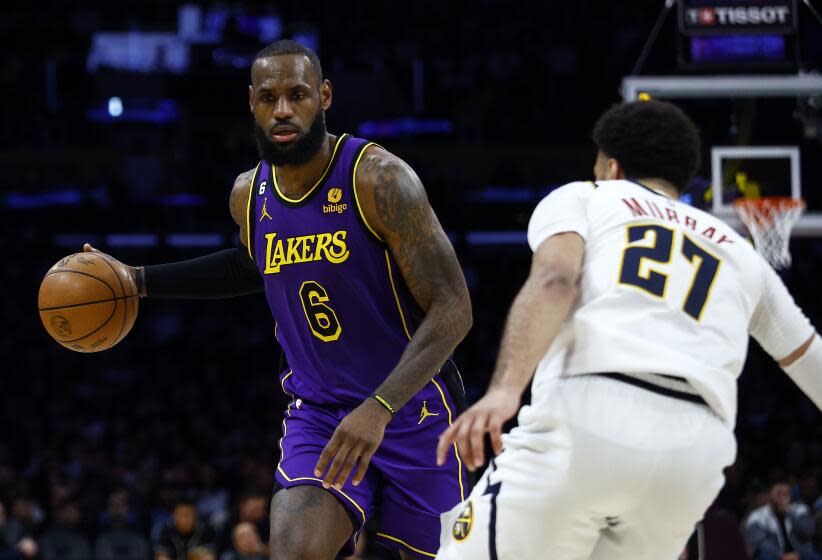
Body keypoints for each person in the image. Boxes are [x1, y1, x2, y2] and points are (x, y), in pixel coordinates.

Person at [86, 39, 472, 560]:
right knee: (293, 550)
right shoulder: (249, 195)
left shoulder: (379, 181)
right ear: (252, 102)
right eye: (269, 97)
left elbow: (455, 308)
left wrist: (379, 407)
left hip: (413, 410)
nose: (283, 109)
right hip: (320, 412)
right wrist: (137, 279)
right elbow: (250, 265)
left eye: (297, 94)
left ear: (326, 96)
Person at [435, 100, 822, 560]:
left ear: (611, 166)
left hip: (591, 414)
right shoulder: (738, 250)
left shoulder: (587, 196)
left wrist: (504, 391)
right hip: (694, 451)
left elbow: (555, 281)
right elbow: (808, 356)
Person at [745, 480, 820, 560]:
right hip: (774, 556)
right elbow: (761, 543)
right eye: (779, 494)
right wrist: (781, 556)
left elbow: (809, 531)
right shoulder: (757, 517)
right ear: (770, 495)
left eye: (786, 494)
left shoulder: (799, 509)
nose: (782, 498)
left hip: (800, 555)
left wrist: (789, 512)